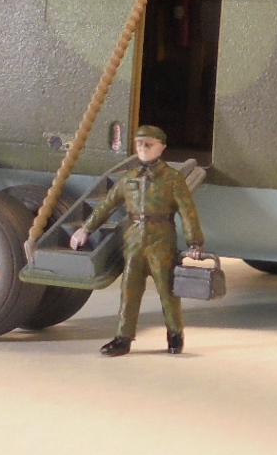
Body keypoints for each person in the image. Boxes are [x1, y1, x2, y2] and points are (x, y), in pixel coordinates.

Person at [71, 125, 205, 356]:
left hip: (161, 238)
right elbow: (107, 205)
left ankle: (175, 334)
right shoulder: (129, 177)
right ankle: (123, 338)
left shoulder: (172, 179)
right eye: (139, 144)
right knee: (129, 289)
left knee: (168, 289)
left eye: (149, 144)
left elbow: (188, 211)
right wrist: (86, 228)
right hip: (134, 238)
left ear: (161, 148)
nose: (143, 148)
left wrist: (195, 242)